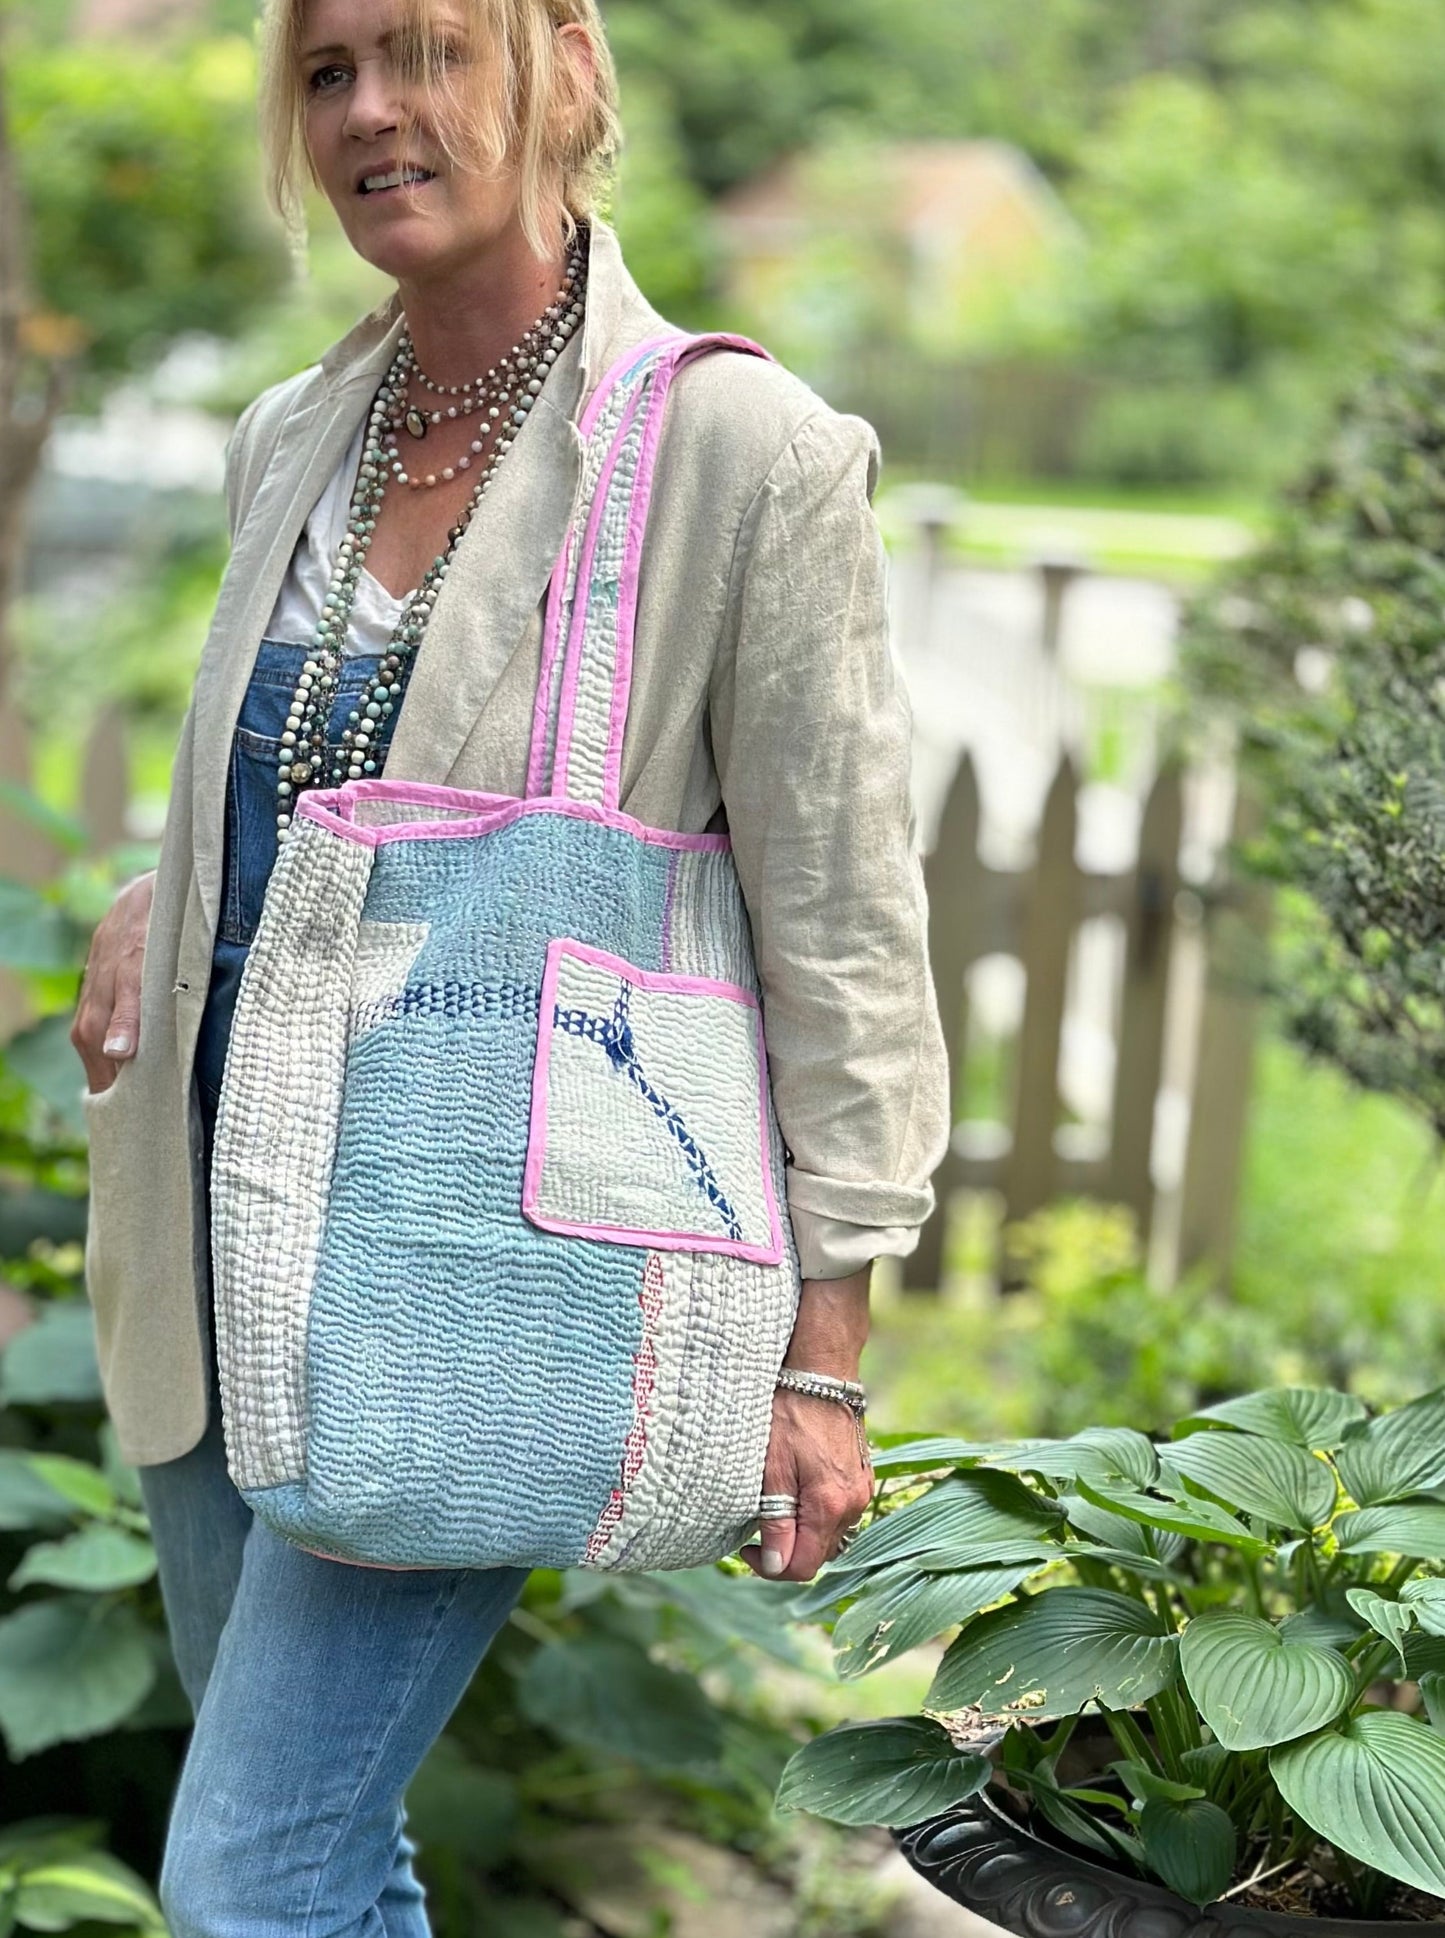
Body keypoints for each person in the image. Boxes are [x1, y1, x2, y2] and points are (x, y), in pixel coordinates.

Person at [68, 0, 949, 1927]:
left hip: (467, 1265)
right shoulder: (288, 437)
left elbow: (845, 923)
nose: (374, 112)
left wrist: (830, 1348)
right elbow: (309, 779)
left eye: (427, 52)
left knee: (249, 1870)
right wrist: (173, 884)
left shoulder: (740, 453)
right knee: (312, 1830)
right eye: (327, 74)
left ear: (556, 62)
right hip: (214, 1230)